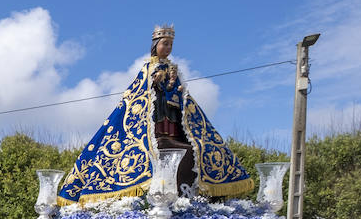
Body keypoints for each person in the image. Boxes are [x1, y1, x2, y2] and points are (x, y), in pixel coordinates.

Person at [56, 25, 252, 205]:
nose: (167, 48)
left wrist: (177, 88)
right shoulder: (148, 67)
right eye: (164, 44)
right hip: (154, 111)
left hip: (171, 109)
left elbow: (176, 90)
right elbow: (140, 92)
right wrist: (155, 83)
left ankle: (187, 192)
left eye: (170, 45)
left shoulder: (174, 69)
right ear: (155, 45)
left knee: (194, 146)